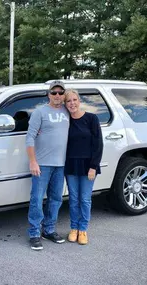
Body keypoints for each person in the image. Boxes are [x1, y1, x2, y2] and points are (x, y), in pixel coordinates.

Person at [26, 80, 70, 250]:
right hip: (42, 164)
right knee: (36, 199)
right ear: (48, 94)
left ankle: (49, 229)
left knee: (56, 199)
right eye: (54, 92)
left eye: (60, 92)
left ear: (64, 94)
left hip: (61, 164)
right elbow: (29, 137)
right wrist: (32, 161)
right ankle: (34, 233)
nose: (57, 95)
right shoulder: (40, 112)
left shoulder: (68, 111)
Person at [64, 89, 103, 245]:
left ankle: (83, 229)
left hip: (88, 165)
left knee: (85, 199)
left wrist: (93, 166)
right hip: (71, 165)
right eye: (68, 101)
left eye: (74, 99)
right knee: (73, 199)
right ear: (65, 104)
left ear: (79, 101)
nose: (72, 103)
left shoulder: (91, 119)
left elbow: (98, 144)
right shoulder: (65, 120)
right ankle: (73, 228)